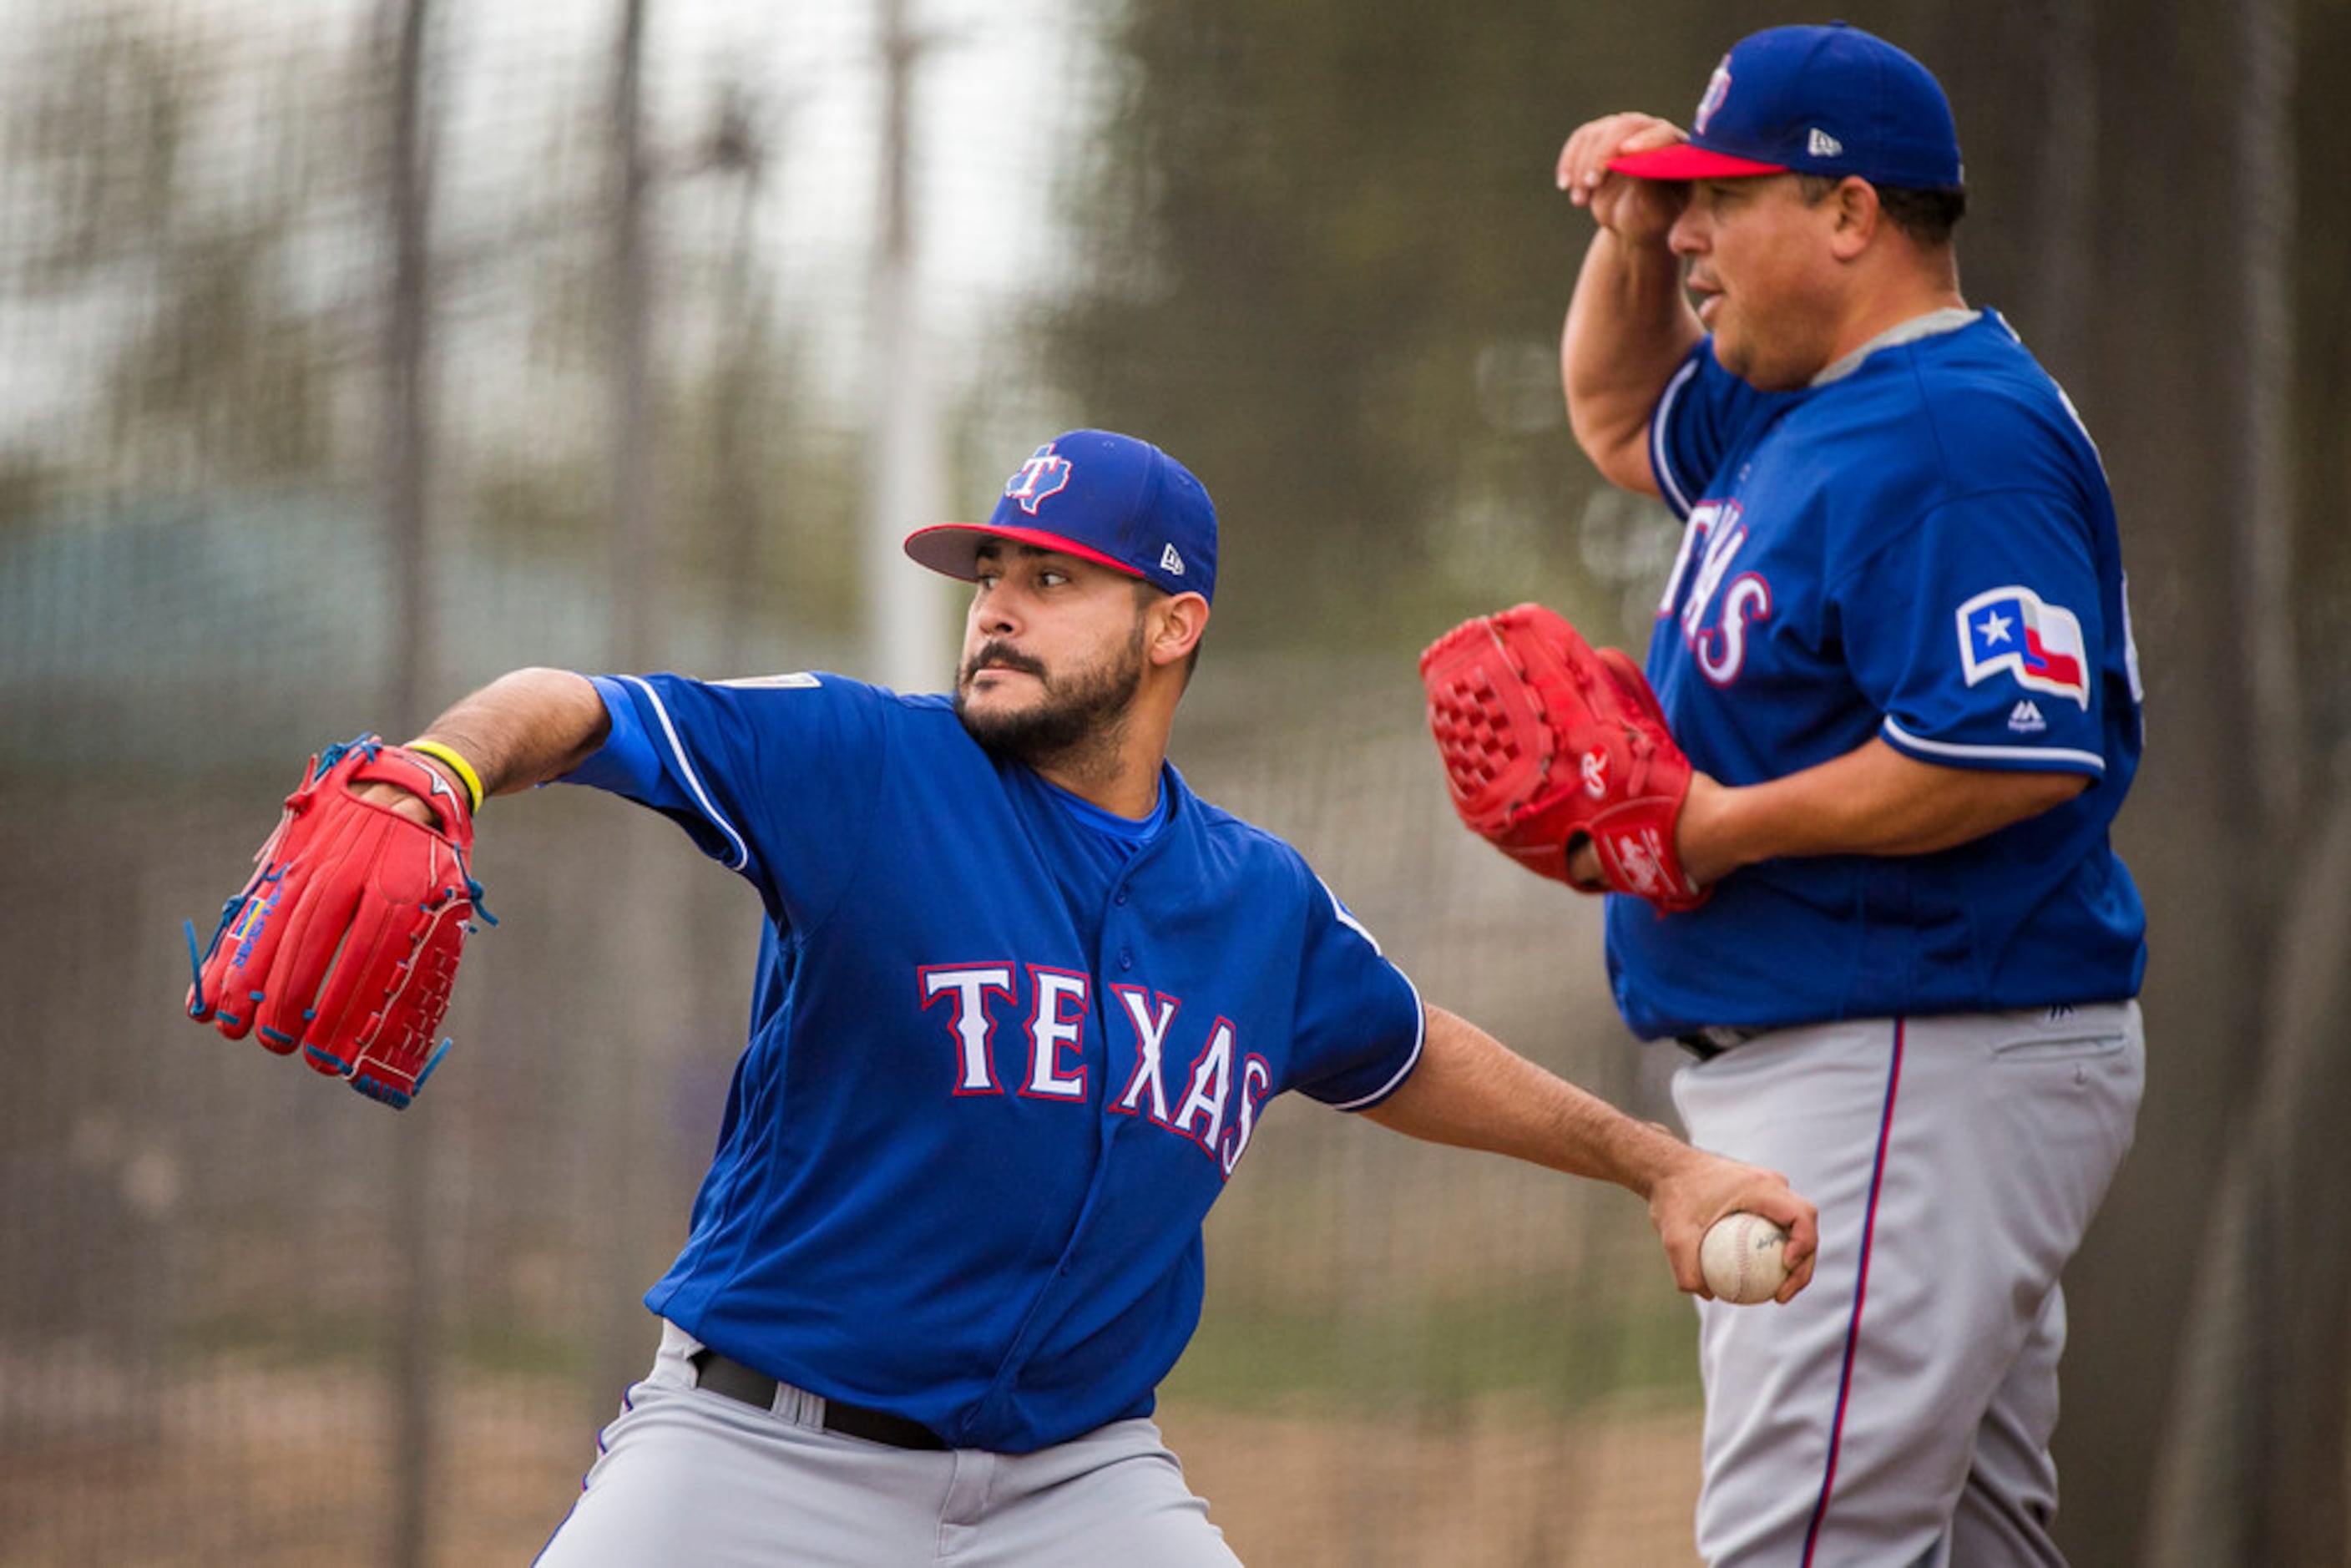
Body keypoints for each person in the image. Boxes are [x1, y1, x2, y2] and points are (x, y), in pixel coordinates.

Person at [329, 429, 1814, 1565]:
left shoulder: (1255, 899)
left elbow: (1412, 1050)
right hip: (760, 1452)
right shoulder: (867, 766)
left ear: (1174, 624)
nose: (997, 610)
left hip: (1076, 1483)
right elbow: (586, 708)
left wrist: (1664, 1167)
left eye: (1051, 579)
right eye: (990, 577)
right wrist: (442, 769)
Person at [1552, 23, 2146, 1567]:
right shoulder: (1802, 396)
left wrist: (1716, 824)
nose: (1688, 231)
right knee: (1964, 1542)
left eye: (1718, 198)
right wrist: (1626, 244)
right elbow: (1621, 424)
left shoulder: (1955, 431)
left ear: (1849, 213)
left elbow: (2004, 749)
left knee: (1799, 1547)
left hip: (1910, 1045)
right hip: (1887, 1048)